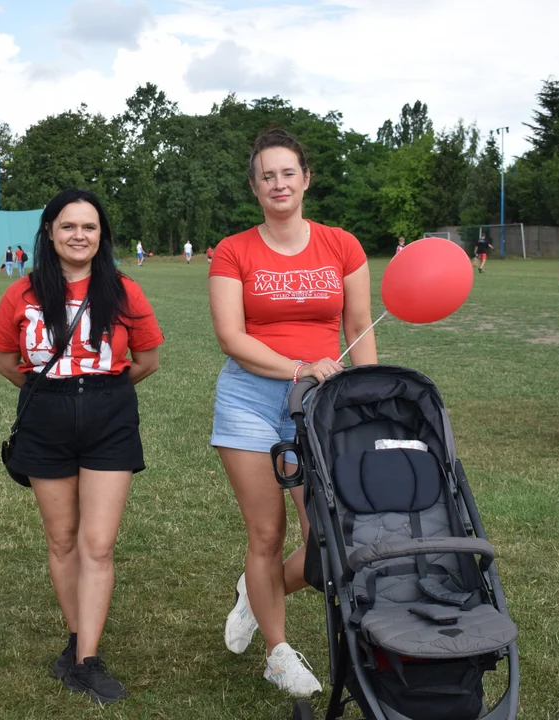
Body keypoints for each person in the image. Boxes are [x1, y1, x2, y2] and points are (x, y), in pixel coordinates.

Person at [208, 127, 377, 697]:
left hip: (325, 403)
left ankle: (256, 593)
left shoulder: (342, 245)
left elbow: (358, 327)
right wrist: (298, 367)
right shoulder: (233, 250)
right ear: (254, 187)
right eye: (266, 175)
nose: (278, 183)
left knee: (328, 537)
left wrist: (365, 394)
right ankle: (278, 653)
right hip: (251, 400)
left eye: (288, 173)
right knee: (267, 530)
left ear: (306, 179)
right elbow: (231, 337)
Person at [0, 188, 163, 705]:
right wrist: (55, 396)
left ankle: (86, 660)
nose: (78, 235)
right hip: (45, 418)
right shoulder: (21, 293)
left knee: (98, 544)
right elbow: (4, 360)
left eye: (88, 227)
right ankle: (75, 636)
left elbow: (148, 359)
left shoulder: (124, 290)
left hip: (110, 416)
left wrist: (98, 393)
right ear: (49, 232)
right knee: (62, 539)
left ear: (101, 234)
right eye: (68, 226)